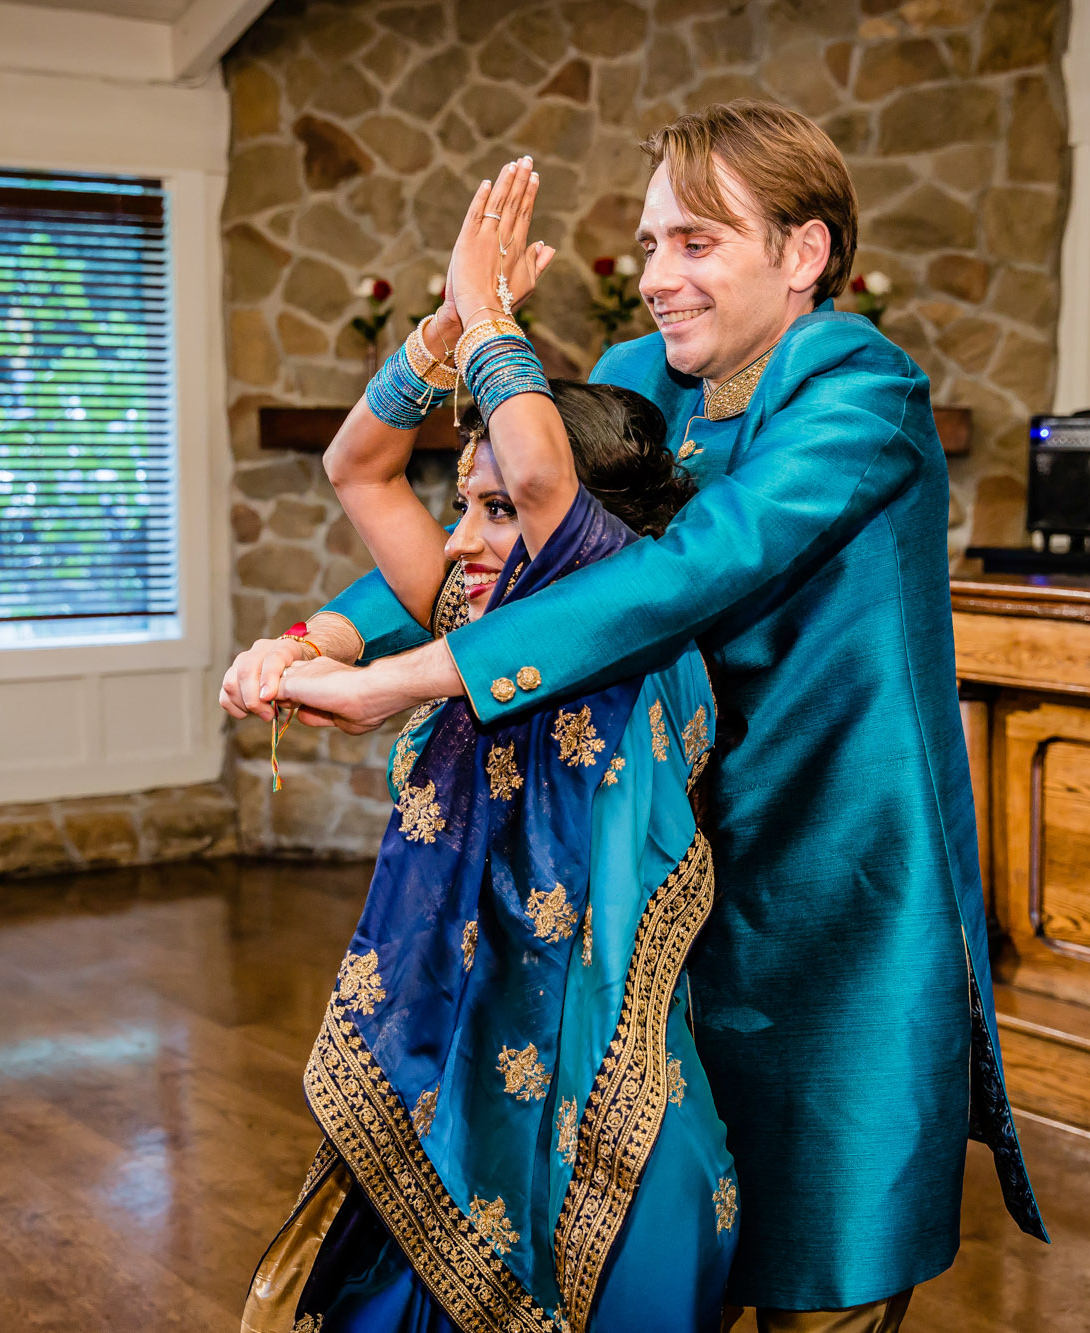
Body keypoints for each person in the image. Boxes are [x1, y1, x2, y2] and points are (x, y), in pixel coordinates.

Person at [227, 103, 1048, 1331]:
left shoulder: (862, 400)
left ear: (804, 254)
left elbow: (685, 570)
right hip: (661, 877)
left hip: (832, 890)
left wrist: (409, 680)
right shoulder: (634, 384)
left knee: (827, 1251)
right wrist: (332, 636)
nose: (657, 279)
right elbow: (514, 539)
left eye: (696, 245)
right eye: (650, 242)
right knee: (663, 1247)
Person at [238, 160, 736, 1333]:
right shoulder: (477, 617)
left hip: (600, 1110)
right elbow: (353, 466)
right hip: (453, 1081)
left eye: (494, 510)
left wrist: (495, 314)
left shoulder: (627, 630)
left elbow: (545, 475)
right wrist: (444, 330)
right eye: (462, 504)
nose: (463, 537)